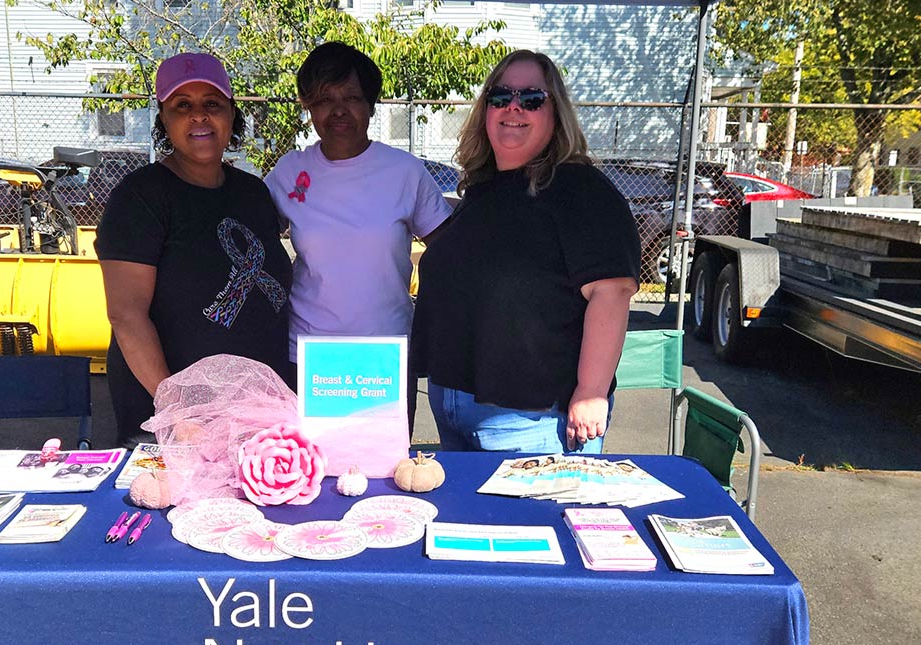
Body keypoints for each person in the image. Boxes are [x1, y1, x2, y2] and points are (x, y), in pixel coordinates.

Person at [411, 49, 640, 454]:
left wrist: (590, 392)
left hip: (531, 423)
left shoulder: (580, 190)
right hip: (454, 409)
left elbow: (612, 291)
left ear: (556, 113)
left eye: (531, 98)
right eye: (500, 97)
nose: (513, 107)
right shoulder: (481, 190)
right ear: (486, 110)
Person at [96, 53, 293, 446]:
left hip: (257, 413)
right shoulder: (140, 197)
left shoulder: (253, 193)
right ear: (163, 119)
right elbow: (126, 314)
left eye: (212, 104)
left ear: (232, 115)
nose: (199, 116)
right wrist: (176, 411)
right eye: (182, 106)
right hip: (178, 421)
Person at [264, 42, 453, 422]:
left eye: (351, 97)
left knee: (384, 471)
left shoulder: (405, 172)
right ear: (307, 107)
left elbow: (451, 252)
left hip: (385, 355)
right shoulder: (290, 172)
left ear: (371, 105)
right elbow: (250, 238)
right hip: (308, 355)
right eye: (323, 99)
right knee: (306, 470)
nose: (338, 111)